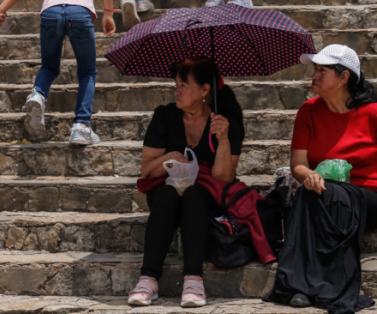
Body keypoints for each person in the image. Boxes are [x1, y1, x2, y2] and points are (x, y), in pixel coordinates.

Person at [264, 44, 377, 313]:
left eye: (322, 70)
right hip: (327, 193)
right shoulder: (309, 111)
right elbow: (298, 164)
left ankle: (323, 287)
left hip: (369, 193)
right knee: (309, 191)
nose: (313, 75)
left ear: (343, 77)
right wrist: (310, 176)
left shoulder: (373, 113)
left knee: (335, 195)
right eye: (314, 69)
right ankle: (298, 286)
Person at [127, 57, 245, 307]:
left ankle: (194, 279)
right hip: (165, 193)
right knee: (170, 194)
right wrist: (169, 157)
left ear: (205, 89)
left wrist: (223, 139)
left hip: (206, 196)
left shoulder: (224, 122)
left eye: (183, 85)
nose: (176, 90)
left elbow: (224, 177)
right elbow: (147, 171)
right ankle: (148, 279)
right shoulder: (165, 116)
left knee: (193, 195)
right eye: (176, 84)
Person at [0, 0, 116, 145]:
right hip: (80, 12)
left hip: (51, 12)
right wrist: (108, 13)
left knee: (49, 66)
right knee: (87, 72)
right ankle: (81, 127)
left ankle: (37, 94)